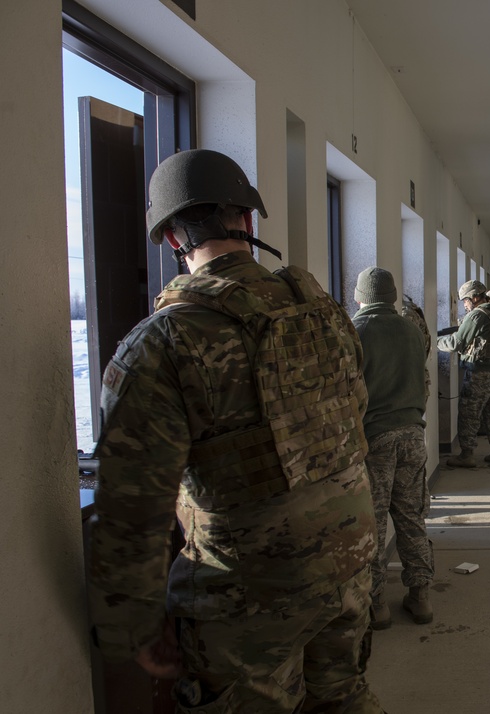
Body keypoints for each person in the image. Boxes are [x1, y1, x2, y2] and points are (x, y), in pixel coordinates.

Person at [88, 149, 383, 712]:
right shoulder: (326, 314)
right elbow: (351, 420)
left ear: (175, 237)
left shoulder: (162, 343)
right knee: (343, 697)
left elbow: (133, 505)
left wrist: (131, 628)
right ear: (248, 221)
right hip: (349, 563)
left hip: (249, 591)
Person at [353, 268, 435, 630]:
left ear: (359, 297)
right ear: (393, 297)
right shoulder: (413, 332)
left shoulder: (355, 334)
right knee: (411, 516)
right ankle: (420, 596)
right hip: (413, 436)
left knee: (373, 523)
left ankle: (376, 606)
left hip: (375, 441)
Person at [437, 279, 490, 467]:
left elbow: (456, 343)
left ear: (475, 297)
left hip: (479, 372)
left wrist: (434, 340)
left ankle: (467, 455)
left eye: (465, 301)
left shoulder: (477, 315)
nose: (464, 305)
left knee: (469, 412)